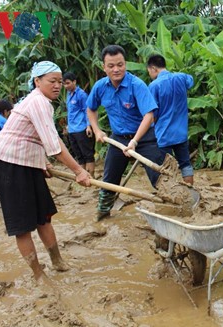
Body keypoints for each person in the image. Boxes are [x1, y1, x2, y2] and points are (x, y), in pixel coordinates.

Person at [0, 61, 91, 280]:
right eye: (52, 81)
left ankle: (57, 261)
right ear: (37, 81)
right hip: (8, 164)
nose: (57, 86)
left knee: (43, 217)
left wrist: (41, 163)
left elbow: (35, 138)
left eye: (60, 82)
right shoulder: (38, 102)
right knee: (23, 226)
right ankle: (38, 274)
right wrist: (78, 171)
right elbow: (54, 145)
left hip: (27, 162)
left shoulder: (41, 103)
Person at [87, 45, 165, 222]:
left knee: (160, 178)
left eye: (120, 64)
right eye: (111, 65)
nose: (116, 69)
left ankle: (174, 212)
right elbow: (91, 109)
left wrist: (135, 141)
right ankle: (103, 215)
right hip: (118, 140)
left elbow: (149, 115)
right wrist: (97, 130)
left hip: (144, 138)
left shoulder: (136, 85)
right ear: (104, 67)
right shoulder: (100, 87)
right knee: (109, 181)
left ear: (125, 64)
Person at [147, 54, 195, 185]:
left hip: (164, 134)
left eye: (149, 71)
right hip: (181, 132)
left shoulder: (154, 86)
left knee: (167, 168)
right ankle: (191, 192)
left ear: (153, 68)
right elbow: (191, 81)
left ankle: (172, 194)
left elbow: (152, 113)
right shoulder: (181, 77)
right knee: (185, 164)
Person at [62, 72, 95, 177]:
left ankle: (92, 177)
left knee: (88, 154)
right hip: (72, 129)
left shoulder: (81, 95)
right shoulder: (68, 95)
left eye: (68, 83)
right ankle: (83, 176)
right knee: (79, 155)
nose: (66, 86)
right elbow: (71, 113)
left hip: (81, 129)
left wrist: (88, 126)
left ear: (74, 82)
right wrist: (67, 126)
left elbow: (87, 110)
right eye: (64, 84)